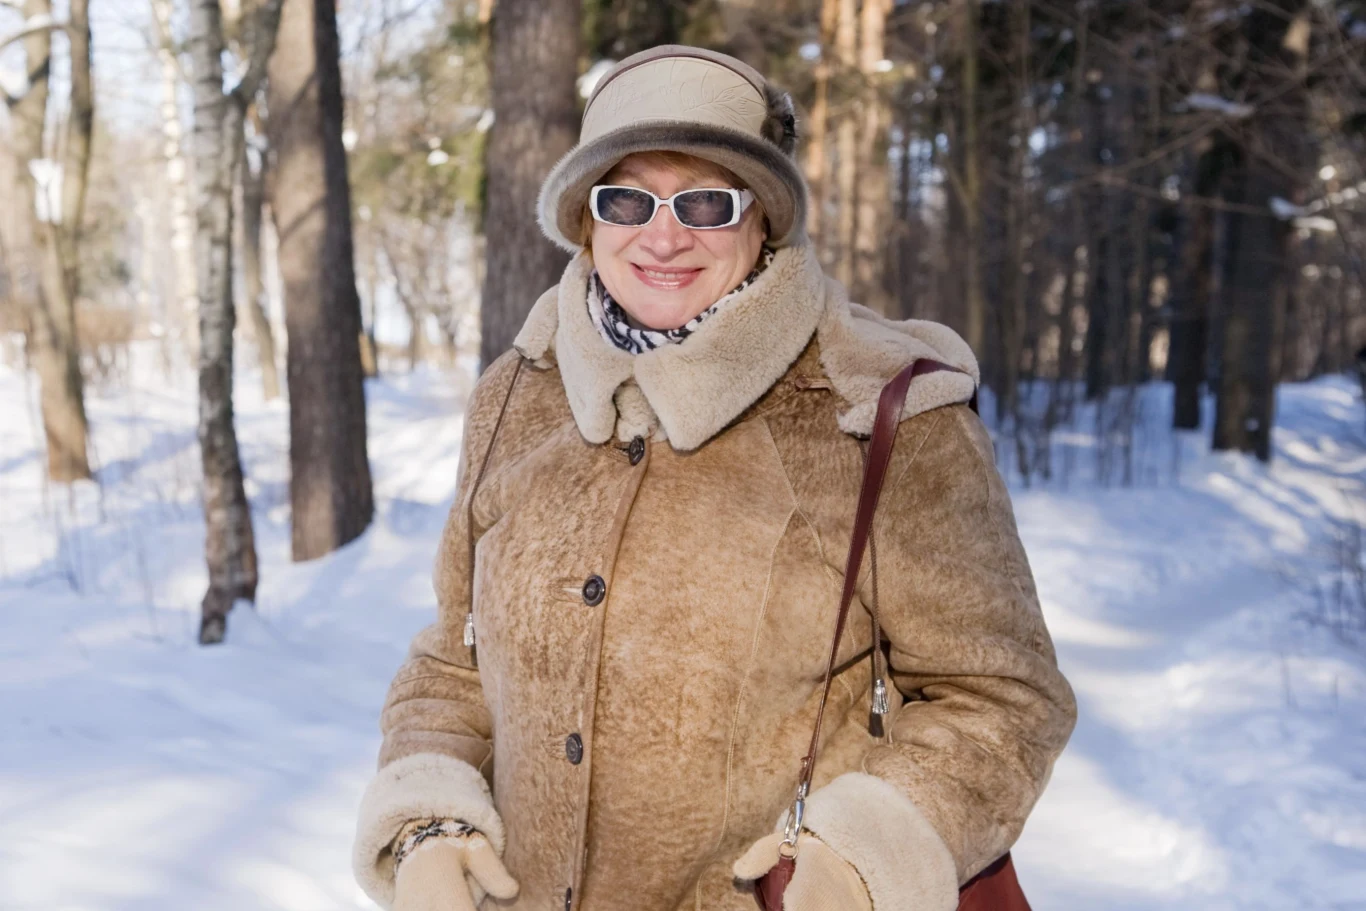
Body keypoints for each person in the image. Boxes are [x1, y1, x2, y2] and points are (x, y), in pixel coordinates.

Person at [352, 45, 1076, 911]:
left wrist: (866, 851)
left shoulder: (876, 412)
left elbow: (1002, 694)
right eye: (628, 199)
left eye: (705, 201)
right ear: (587, 219)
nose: (664, 235)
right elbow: (455, 655)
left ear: (762, 216)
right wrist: (429, 817)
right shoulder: (518, 395)